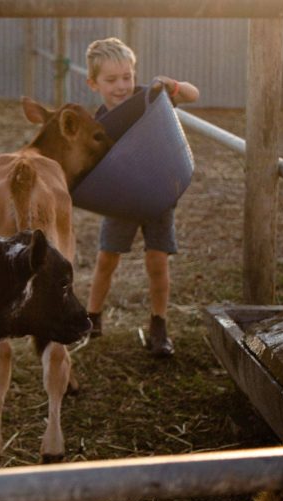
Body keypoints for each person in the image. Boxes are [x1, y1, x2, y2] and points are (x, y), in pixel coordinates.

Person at [84, 37, 199, 357]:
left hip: (159, 195)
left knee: (157, 262)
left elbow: (193, 94)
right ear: (93, 84)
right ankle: (92, 318)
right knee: (106, 259)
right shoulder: (98, 126)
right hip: (121, 200)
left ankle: (159, 325)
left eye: (127, 77)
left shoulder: (149, 100)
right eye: (111, 80)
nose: (122, 86)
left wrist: (173, 86)